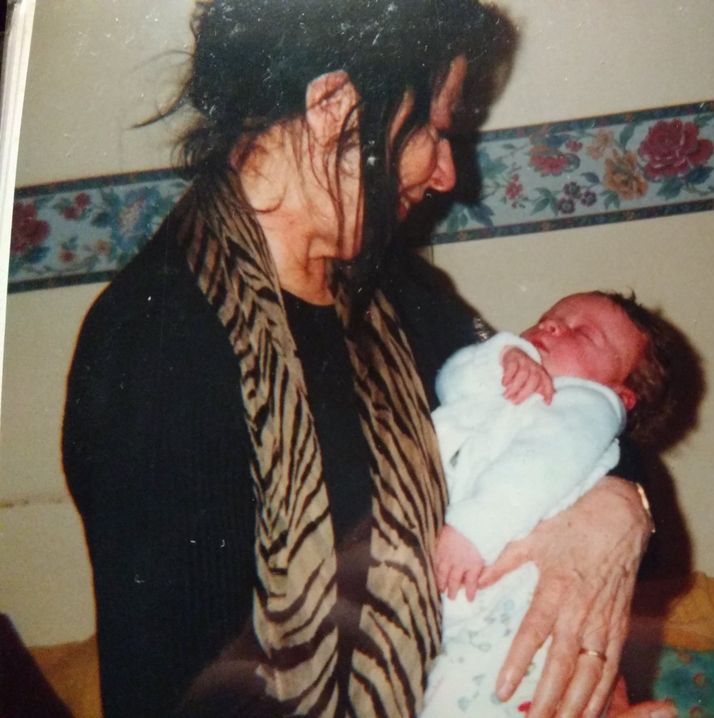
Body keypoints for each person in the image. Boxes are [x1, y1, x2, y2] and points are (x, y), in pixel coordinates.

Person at [61, 1, 655, 716]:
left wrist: (619, 509)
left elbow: (570, 410)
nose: (447, 175)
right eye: (433, 130)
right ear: (333, 106)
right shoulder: (157, 346)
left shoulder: (396, 295)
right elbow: (189, 693)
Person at [422, 292, 672, 716]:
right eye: (550, 318)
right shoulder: (512, 386)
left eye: (583, 333)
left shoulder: (584, 405)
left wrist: (473, 530)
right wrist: (502, 357)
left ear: (621, 396)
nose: (553, 327)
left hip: (502, 582)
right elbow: (454, 381)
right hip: (458, 589)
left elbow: (536, 465)